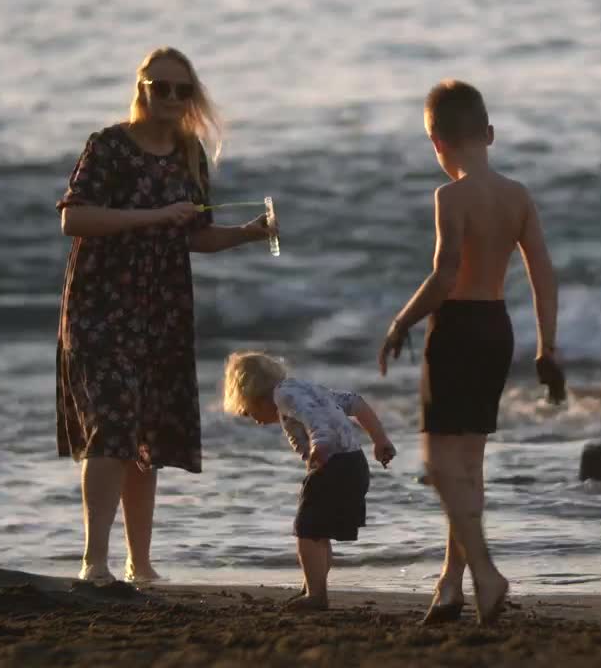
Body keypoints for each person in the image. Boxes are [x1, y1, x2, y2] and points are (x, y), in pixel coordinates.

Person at [56, 46, 274, 583]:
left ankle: (141, 564)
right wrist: (153, 216)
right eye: (162, 87)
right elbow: (74, 218)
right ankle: (94, 562)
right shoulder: (107, 145)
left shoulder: (190, 154)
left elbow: (193, 236)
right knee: (111, 424)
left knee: (142, 434)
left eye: (183, 89)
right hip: (100, 305)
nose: (172, 98)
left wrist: (246, 236)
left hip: (161, 308)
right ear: (142, 89)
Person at [378, 79, 565, 625]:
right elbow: (543, 274)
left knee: (441, 465)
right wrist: (546, 345)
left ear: (435, 143)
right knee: (470, 464)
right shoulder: (518, 196)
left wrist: (399, 322)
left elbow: (443, 277)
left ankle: (485, 572)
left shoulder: (448, 197)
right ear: (489, 133)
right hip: (498, 328)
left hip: (456, 328)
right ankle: (450, 584)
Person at [223, 351, 397, 611]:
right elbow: (356, 403)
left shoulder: (284, 395)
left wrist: (320, 444)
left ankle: (316, 595)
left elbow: (316, 422)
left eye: (248, 411)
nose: (255, 420)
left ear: (253, 393)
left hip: (332, 465)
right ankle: (313, 587)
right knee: (319, 531)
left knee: (307, 530)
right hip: (354, 463)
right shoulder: (307, 389)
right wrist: (380, 439)